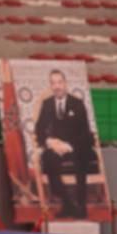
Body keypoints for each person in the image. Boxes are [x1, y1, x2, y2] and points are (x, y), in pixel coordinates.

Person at [35, 69, 95, 219]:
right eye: (53, 83)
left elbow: (85, 132)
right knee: (47, 159)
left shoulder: (77, 103)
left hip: (76, 146)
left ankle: (80, 206)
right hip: (56, 147)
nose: (57, 86)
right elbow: (39, 129)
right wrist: (50, 142)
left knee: (81, 158)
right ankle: (68, 204)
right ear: (51, 85)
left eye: (59, 82)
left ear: (65, 84)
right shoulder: (47, 104)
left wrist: (68, 146)